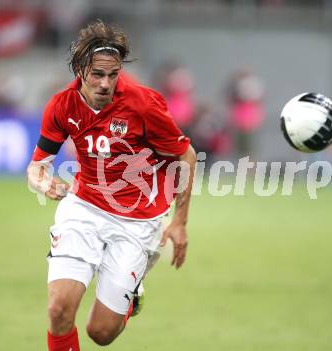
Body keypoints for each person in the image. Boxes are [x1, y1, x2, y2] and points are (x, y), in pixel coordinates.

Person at [26, 20, 196, 350]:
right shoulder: (62, 105)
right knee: (59, 309)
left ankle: (130, 299)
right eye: (97, 75)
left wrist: (179, 221)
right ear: (79, 69)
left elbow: (185, 156)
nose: (106, 84)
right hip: (84, 208)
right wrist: (42, 180)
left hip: (137, 222)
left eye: (113, 74)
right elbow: (37, 165)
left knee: (100, 334)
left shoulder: (143, 104)